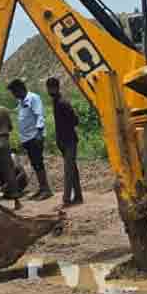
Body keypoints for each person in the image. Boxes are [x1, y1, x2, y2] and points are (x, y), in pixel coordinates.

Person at [8, 78, 53, 200]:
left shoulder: (33, 98)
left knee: (38, 163)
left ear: (20, 89)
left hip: (35, 137)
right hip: (28, 139)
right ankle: (42, 188)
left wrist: (39, 134)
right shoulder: (21, 102)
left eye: (14, 92)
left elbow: (39, 115)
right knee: (35, 164)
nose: (13, 95)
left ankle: (46, 189)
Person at [46, 77, 83, 206]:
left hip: (70, 141)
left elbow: (75, 121)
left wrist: (66, 128)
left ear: (56, 87)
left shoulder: (62, 102)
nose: (49, 90)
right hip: (63, 141)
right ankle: (78, 196)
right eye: (48, 88)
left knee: (68, 170)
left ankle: (66, 199)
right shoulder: (56, 102)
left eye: (51, 87)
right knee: (72, 169)